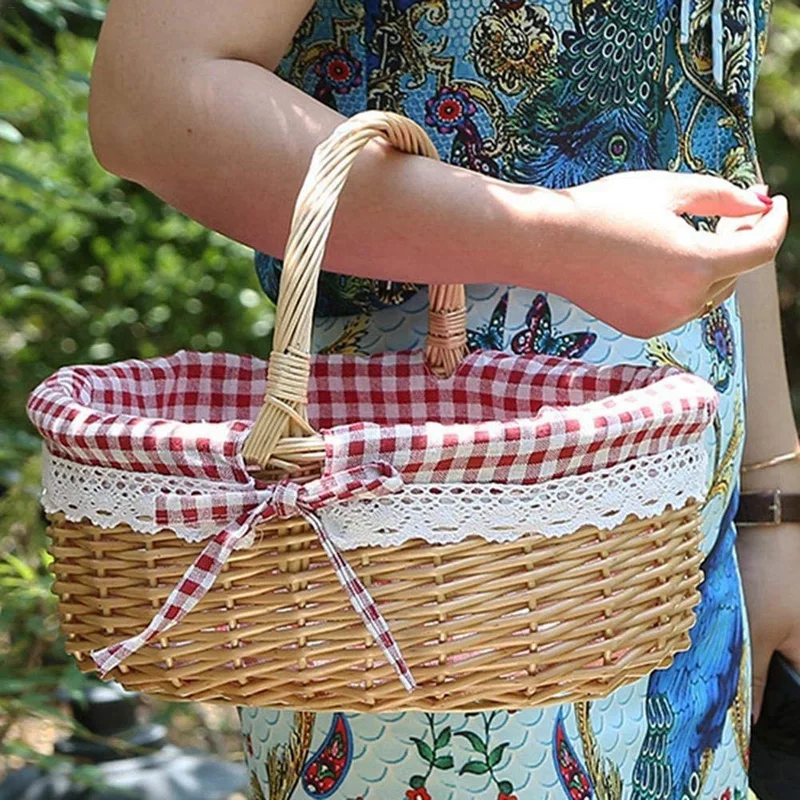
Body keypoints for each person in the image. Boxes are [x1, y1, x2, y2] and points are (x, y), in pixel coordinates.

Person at [87, 1, 794, 797]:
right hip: (435, 528)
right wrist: (551, 235)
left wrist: (775, 502)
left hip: (681, 512)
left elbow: (716, 158)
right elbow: (150, 98)